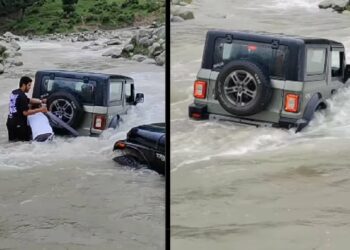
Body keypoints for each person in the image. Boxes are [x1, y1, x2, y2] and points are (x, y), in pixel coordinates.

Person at [6, 76, 47, 142]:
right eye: (29, 85)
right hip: (18, 124)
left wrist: (40, 101)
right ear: (24, 85)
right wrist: (41, 110)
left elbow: (29, 100)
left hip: (10, 122)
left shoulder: (14, 92)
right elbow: (26, 113)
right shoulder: (22, 96)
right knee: (22, 144)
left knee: (13, 143)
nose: (30, 87)